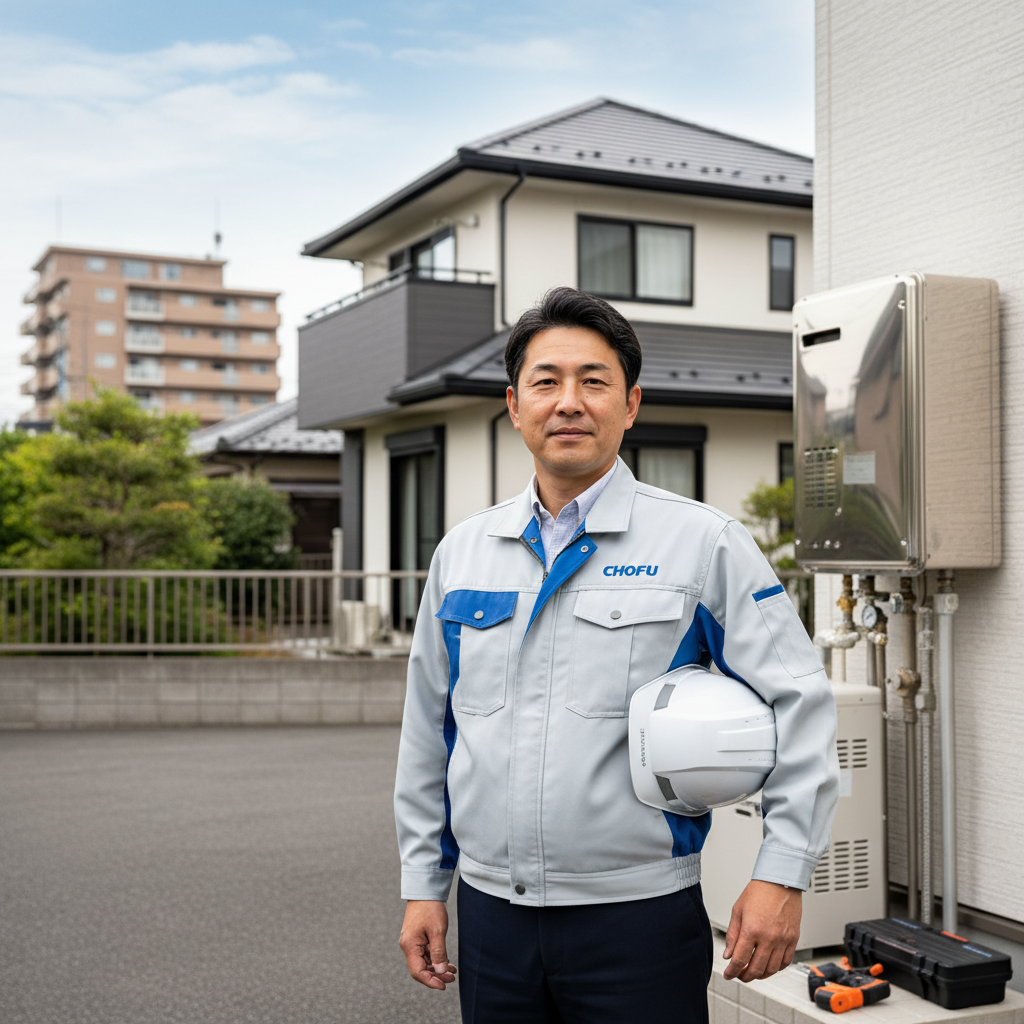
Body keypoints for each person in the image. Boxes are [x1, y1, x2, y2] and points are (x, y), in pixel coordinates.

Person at [394, 287, 839, 1022]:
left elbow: (803, 703)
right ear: (514, 405)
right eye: (546, 381)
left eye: (593, 381)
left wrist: (781, 874)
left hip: (637, 916)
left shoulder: (703, 545)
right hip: (490, 919)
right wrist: (422, 882)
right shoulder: (463, 554)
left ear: (630, 405)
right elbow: (428, 735)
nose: (568, 402)